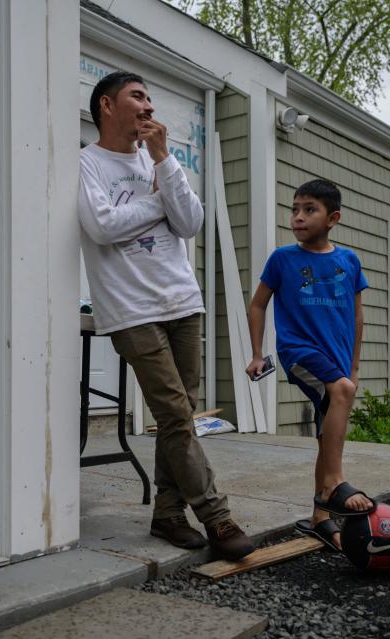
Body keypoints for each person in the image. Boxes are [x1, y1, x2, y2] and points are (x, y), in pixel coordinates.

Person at [79, 70, 254, 560]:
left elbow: (191, 222)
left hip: (182, 301)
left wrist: (162, 160)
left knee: (180, 420)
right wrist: (157, 204)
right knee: (176, 416)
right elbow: (101, 226)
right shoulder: (87, 163)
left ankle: (168, 514)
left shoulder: (160, 162)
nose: (149, 106)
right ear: (107, 105)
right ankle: (216, 516)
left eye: (151, 98)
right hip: (131, 310)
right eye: (138, 96)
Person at [246, 179, 375, 553]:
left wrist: (353, 367)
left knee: (327, 433)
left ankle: (320, 517)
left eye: (309, 210)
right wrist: (258, 353)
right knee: (341, 394)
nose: (298, 217)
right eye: (295, 209)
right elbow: (258, 304)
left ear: (332, 217)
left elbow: (358, 316)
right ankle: (334, 482)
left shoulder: (348, 260)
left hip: (336, 359)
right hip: (299, 350)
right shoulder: (282, 259)